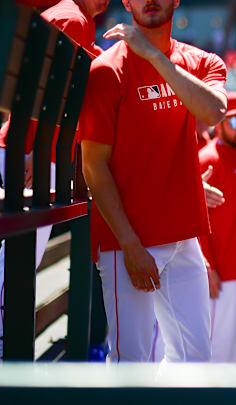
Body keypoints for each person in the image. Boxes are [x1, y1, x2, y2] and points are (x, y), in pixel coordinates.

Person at [78, 0, 227, 362]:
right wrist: (129, 245)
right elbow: (93, 166)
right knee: (133, 365)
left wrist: (155, 57)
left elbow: (214, 111)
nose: (150, 1)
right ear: (127, 2)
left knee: (197, 362)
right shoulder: (106, 70)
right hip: (128, 243)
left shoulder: (204, 61)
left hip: (183, 237)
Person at [0, 0, 110, 360]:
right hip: (31, 154)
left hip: (31, 151)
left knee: (16, 263)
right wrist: (30, 148)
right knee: (14, 265)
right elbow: (37, 88)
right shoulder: (72, 17)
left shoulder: (73, 17)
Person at [197, 92, 236, 362]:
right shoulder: (208, 158)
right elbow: (195, 219)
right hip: (220, 277)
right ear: (219, 123)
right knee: (220, 357)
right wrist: (207, 267)